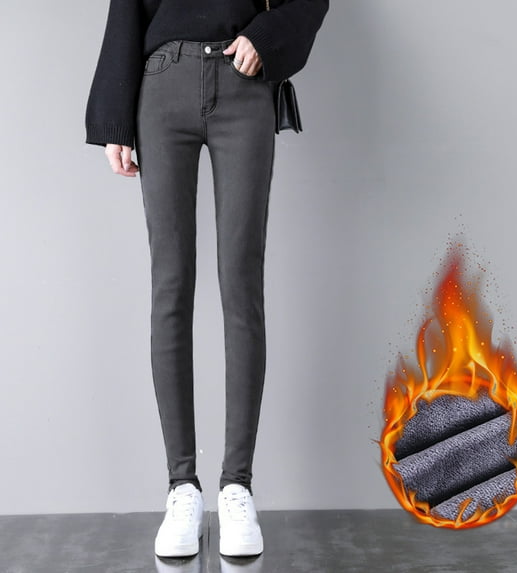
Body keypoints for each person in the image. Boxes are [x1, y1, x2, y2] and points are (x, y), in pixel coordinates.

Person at [84, 0, 329, 560]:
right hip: (161, 85)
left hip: (244, 84)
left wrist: (269, 35)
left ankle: (237, 485)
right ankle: (182, 489)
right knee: (170, 288)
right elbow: (128, 7)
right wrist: (114, 116)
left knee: (242, 285)